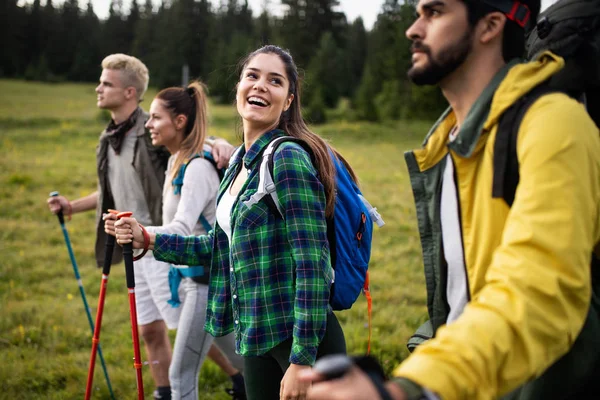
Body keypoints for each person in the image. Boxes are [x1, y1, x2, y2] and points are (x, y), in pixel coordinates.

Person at [302, 0, 600, 399]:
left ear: (490, 25)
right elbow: (461, 297)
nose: (413, 29)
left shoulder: (552, 124)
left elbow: (539, 293)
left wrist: (412, 388)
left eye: (435, 12)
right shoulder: (449, 146)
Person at [111, 45, 349, 400]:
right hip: (254, 333)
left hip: (299, 338)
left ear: (288, 101)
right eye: (252, 76)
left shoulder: (287, 159)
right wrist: (148, 239)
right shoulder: (239, 162)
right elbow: (219, 244)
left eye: (275, 81)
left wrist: (302, 361)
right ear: (239, 86)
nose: (260, 86)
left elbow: (313, 265)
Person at [46, 54, 236, 400]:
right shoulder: (110, 138)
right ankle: (173, 391)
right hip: (140, 244)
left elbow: (193, 141)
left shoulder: (155, 134)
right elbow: (110, 191)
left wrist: (220, 143)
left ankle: (237, 381)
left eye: (106, 83)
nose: (98, 88)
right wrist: (72, 206)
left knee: (185, 329)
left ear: (130, 92)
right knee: (155, 329)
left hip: (167, 245)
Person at [103, 81, 246, 400]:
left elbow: (181, 228)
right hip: (202, 278)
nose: (148, 124)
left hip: (207, 282)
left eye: (156, 117)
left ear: (180, 121)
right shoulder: (176, 160)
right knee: (248, 367)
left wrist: (142, 233)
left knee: (181, 377)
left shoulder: (196, 167)